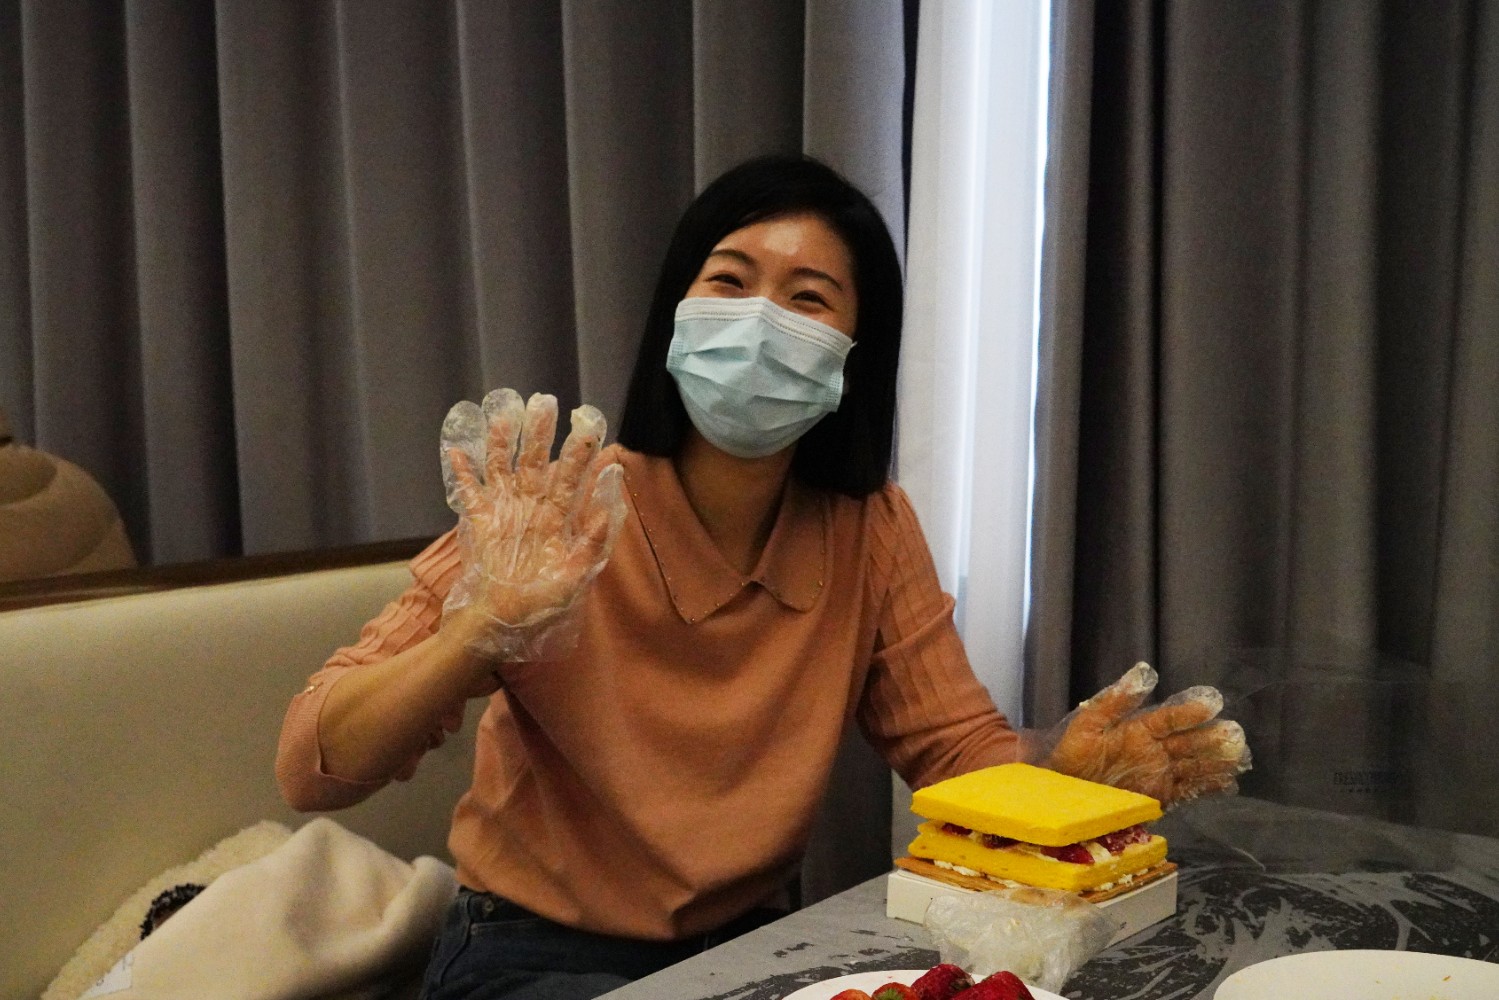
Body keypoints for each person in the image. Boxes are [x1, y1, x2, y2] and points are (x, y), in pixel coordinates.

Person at [276, 155, 1249, 1000]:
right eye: (729, 281)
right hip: (532, 947)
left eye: (807, 298)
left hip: (756, 942)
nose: (756, 322)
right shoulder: (561, 510)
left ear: (853, 356)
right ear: (677, 312)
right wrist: (476, 629)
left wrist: (1059, 774)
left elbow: (954, 752)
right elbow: (309, 765)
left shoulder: (868, 525)